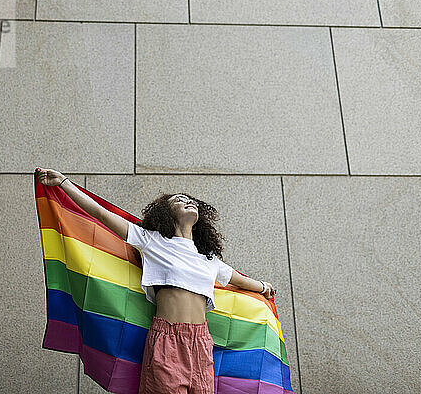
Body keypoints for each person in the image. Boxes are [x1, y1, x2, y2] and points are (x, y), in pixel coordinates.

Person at [36, 168, 276, 394]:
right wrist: (63, 183)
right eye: (179, 200)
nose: (187, 201)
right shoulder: (152, 241)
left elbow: (239, 280)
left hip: (202, 342)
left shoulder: (208, 258)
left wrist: (264, 288)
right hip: (167, 338)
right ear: (166, 212)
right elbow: (101, 214)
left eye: (190, 199)